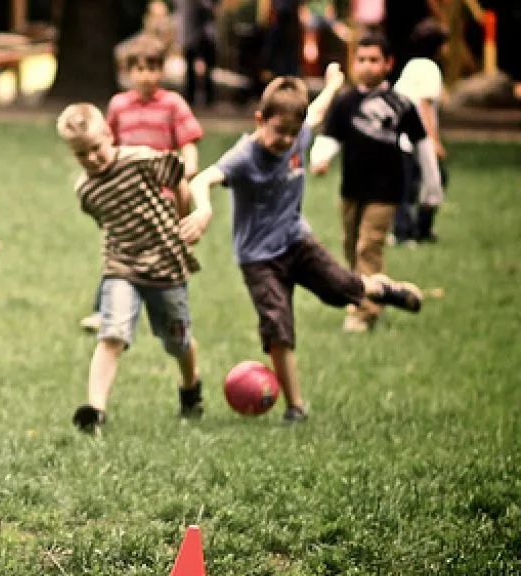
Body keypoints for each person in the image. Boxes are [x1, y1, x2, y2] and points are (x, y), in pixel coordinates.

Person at [182, 66, 425, 424]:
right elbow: (205, 178)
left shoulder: (299, 135)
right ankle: (296, 407)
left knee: (343, 291)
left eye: (293, 133)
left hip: (298, 241)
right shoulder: (245, 156)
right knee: (277, 327)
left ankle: (382, 289)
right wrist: (202, 209)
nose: (286, 141)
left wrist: (333, 85)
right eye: (279, 131)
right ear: (260, 119)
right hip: (259, 260)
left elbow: (317, 110)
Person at [57, 103, 204, 434]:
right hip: (121, 266)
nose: (92, 158)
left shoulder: (140, 159)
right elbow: (104, 222)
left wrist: (182, 219)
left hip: (166, 264)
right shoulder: (86, 190)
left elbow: (178, 177)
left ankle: (191, 387)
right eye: (82, 155)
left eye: (96, 148)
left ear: (109, 135)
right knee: (113, 334)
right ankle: (95, 410)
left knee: (177, 342)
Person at [309, 33, 442, 333]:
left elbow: (423, 146)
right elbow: (330, 137)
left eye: (374, 60)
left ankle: (364, 313)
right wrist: (321, 158)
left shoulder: (400, 105)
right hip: (352, 188)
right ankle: (377, 292)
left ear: (388, 64)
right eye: (362, 60)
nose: (367, 66)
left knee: (368, 247)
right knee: (350, 246)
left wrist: (431, 188)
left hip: (386, 191)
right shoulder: (345, 103)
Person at [80, 35, 204, 333]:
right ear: (128, 71)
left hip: (163, 196)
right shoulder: (119, 105)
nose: (145, 76)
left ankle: (172, 312)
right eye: (138, 69)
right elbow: (107, 146)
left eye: (152, 69)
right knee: (120, 249)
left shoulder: (173, 104)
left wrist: (188, 168)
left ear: (161, 71)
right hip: (126, 194)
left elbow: (188, 143)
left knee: (166, 254)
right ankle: (104, 310)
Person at [393, 18, 449, 244]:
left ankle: (411, 230)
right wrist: (434, 140)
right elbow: (423, 106)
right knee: (431, 182)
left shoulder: (411, 65)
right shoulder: (430, 68)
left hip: (400, 137)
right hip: (417, 137)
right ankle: (413, 231)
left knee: (409, 184)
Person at [177, 0, 219, 106]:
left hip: (196, 37)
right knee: (194, 70)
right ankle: (198, 97)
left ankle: (200, 97)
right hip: (197, 37)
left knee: (199, 70)